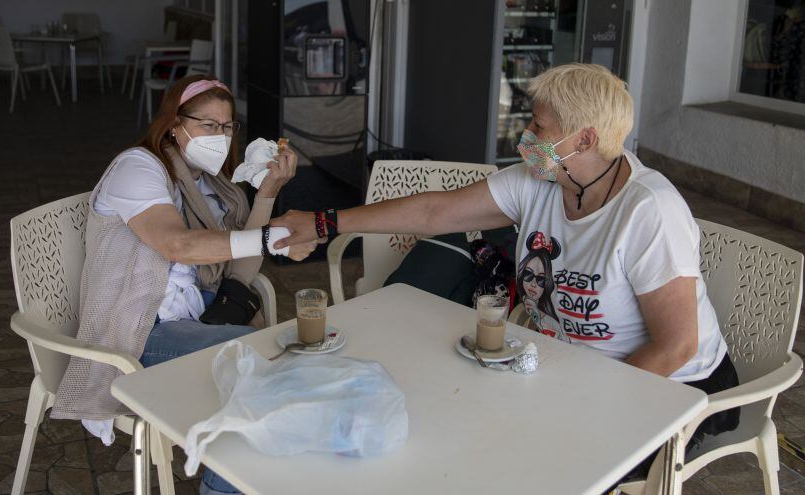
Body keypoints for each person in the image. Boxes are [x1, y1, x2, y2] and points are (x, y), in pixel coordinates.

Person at [273, 63, 739, 478]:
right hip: (577, 369)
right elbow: (435, 213)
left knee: (561, 471)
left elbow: (677, 345)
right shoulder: (540, 180)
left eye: (539, 125)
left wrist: (590, 406)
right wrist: (323, 223)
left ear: (585, 139)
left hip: (673, 385)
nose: (525, 136)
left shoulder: (648, 211)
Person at [52, 75, 315, 495]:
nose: (221, 136)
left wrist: (267, 193)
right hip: (139, 330)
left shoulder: (212, 184)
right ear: (175, 123)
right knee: (254, 374)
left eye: (228, 127)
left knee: (277, 368)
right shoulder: (137, 167)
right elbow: (177, 244)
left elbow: (238, 278)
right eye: (208, 125)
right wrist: (270, 238)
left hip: (195, 316)